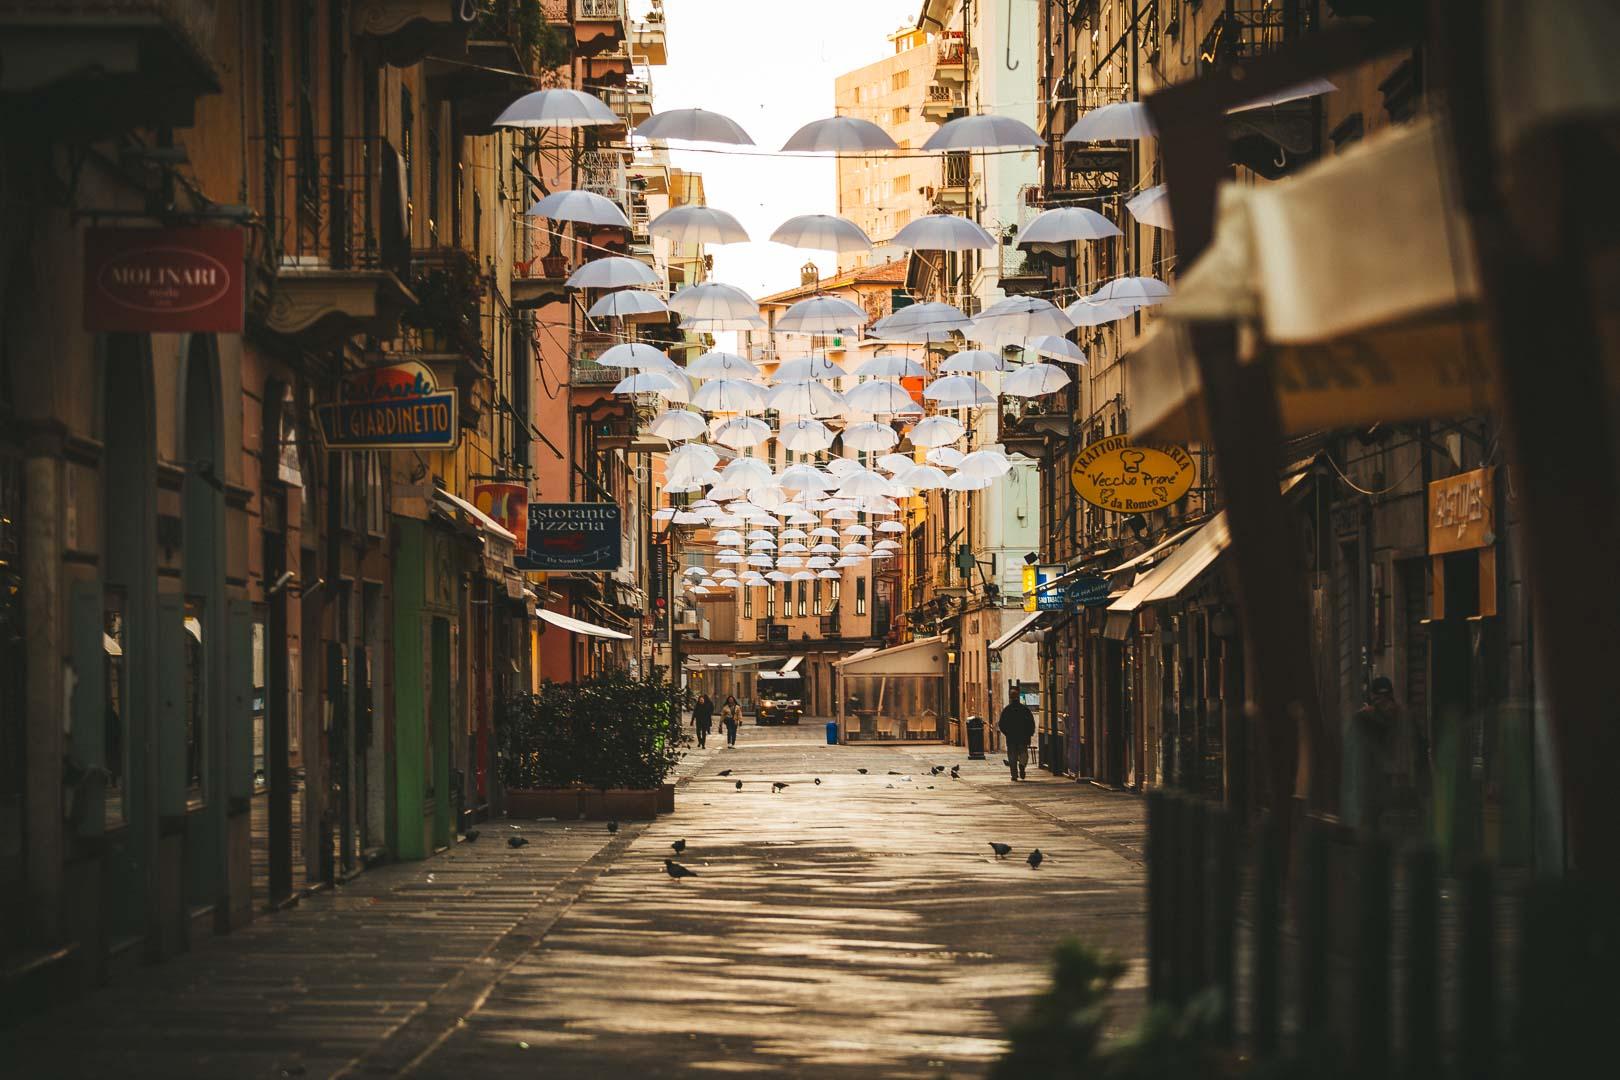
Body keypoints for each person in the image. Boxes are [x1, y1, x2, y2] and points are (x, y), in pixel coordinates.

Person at [1356, 675, 1429, 835]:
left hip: (1392, 794)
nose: (1383, 705)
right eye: (1379, 701)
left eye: (1382, 700)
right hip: (1400, 794)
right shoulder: (1404, 718)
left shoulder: (1373, 720)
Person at [998, 696, 1036, 782]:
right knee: (1023, 754)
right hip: (1023, 737)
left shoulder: (1007, 710)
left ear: (1011, 699)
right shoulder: (1025, 710)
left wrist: (1007, 733)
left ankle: (1014, 775)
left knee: (1012, 757)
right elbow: (1031, 723)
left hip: (1011, 738)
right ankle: (1022, 765)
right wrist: (1029, 734)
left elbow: (1001, 724)